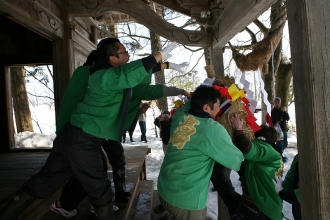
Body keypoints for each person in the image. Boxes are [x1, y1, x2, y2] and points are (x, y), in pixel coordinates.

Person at [0, 37, 177, 220]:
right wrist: (158, 56)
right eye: (124, 52)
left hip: (73, 136)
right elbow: (129, 74)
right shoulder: (103, 76)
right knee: (100, 189)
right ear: (113, 58)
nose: (128, 55)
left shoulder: (110, 76)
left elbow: (133, 75)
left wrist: (166, 66)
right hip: (82, 139)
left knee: (45, 181)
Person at [157, 85, 244, 220]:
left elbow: (191, 102)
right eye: (217, 105)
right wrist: (239, 131)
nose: (219, 109)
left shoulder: (180, 115)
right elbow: (238, 160)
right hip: (186, 201)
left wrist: (204, 93)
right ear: (206, 108)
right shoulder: (212, 129)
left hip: (164, 189)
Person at [230, 116, 284, 220]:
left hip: (260, 208)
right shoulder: (272, 155)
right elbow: (248, 172)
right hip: (266, 207)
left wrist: (239, 130)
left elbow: (249, 150)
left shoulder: (266, 148)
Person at [273, 154, 301, 219]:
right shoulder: (298, 157)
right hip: (298, 208)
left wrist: (282, 193)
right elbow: (291, 178)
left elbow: (307, 194)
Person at [271, 97, 290, 162]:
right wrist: (282, 113)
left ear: (280, 103)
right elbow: (278, 118)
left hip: (283, 129)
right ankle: (279, 157)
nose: (277, 104)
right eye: (276, 102)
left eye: (278, 102)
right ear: (274, 103)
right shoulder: (273, 111)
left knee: (285, 144)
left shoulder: (281, 110)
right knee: (279, 144)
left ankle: (280, 155)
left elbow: (287, 117)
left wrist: (283, 115)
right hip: (278, 130)